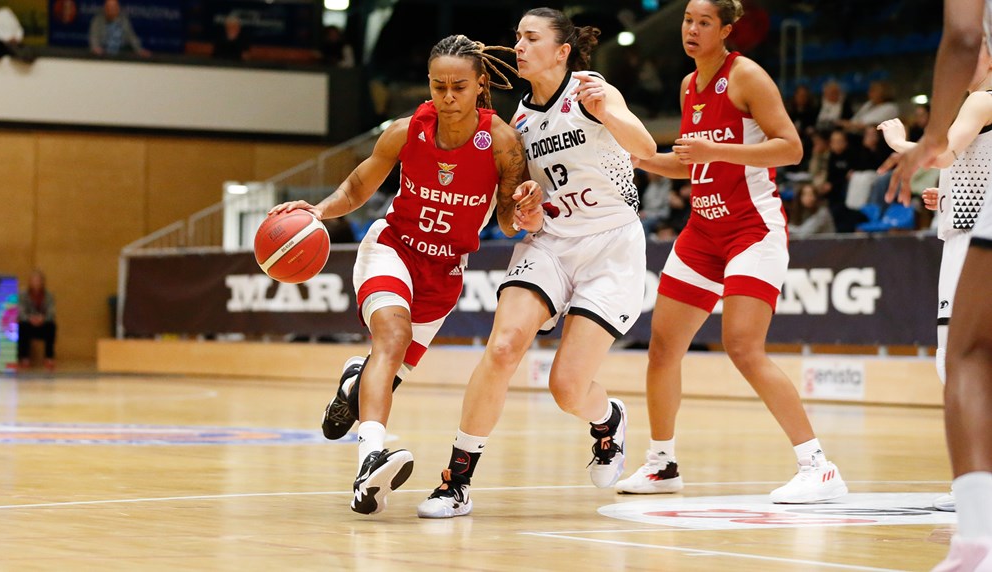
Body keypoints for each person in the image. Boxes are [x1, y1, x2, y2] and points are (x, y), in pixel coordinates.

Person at [268, 34, 535, 516]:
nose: (448, 97)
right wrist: (318, 212)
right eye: (438, 86)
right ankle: (371, 457)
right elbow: (357, 185)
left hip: (445, 271)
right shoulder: (405, 130)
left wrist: (524, 209)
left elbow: (508, 221)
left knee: (388, 370)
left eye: (458, 86)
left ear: (480, 86)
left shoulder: (501, 142)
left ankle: (354, 385)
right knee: (390, 340)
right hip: (393, 247)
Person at [416, 7, 657, 519]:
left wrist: (609, 112)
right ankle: (455, 481)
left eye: (531, 38)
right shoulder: (518, 122)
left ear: (562, 50)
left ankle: (608, 420)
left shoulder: (593, 89)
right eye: (517, 38)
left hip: (610, 245)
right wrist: (523, 208)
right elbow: (514, 219)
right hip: (550, 243)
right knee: (503, 347)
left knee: (567, 389)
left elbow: (645, 146)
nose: (519, 46)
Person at [619, 0, 847, 504]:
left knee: (743, 346)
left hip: (752, 228)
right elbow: (691, 165)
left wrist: (715, 151)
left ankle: (819, 466)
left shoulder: (746, 77)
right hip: (702, 232)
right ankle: (662, 464)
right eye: (687, 21)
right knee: (662, 348)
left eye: (704, 23)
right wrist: (641, 160)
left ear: (725, 29)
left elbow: (791, 148)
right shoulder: (687, 86)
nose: (692, 30)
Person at [882, 3, 992, 566]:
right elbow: (968, 166)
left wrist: (906, 141)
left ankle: (977, 511)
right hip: (965, 224)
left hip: (976, 243)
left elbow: (946, 148)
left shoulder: (980, 96)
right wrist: (946, 193)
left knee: (960, 361)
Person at [17, 270, 56, 370]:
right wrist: (30, 318)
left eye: (38, 280)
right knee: (22, 326)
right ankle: (24, 358)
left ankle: (49, 357)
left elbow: (51, 312)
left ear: (43, 282)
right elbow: (20, 311)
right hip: (28, 324)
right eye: (34, 280)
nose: (36, 283)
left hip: (43, 324)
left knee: (52, 326)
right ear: (30, 282)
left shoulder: (48, 295)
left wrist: (43, 318)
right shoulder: (23, 294)